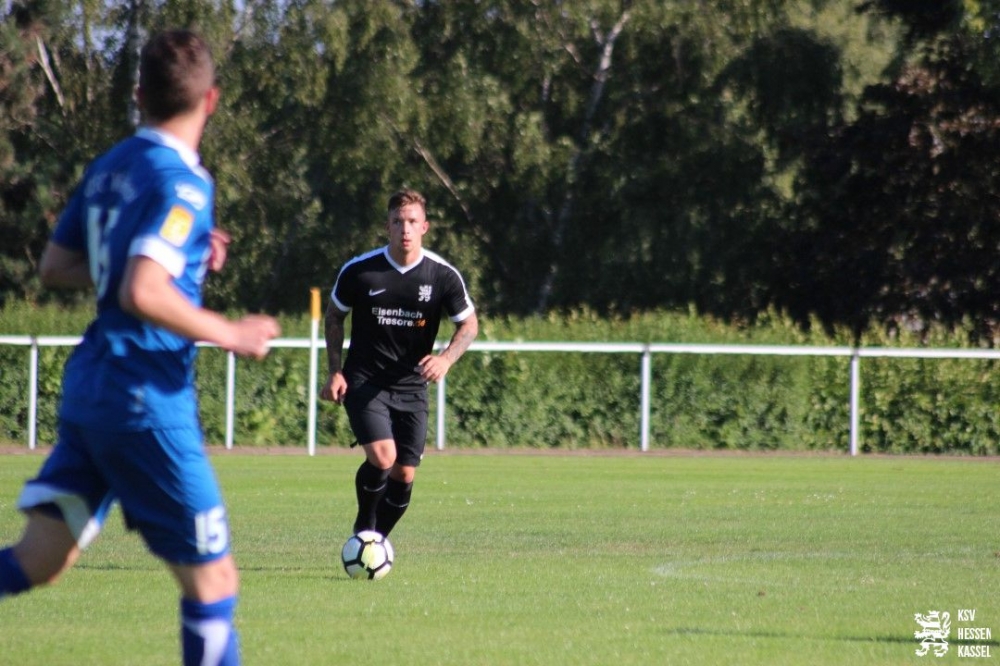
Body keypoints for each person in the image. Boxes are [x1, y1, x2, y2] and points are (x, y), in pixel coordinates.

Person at [0, 29, 280, 666]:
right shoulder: (184, 182)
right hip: (144, 397)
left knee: (40, 559)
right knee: (214, 582)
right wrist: (230, 331)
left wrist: (184, 261)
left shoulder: (110, 166)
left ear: (138, 95)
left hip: (92, 389)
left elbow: (56, 267)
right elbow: (142, 288)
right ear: (211, 100)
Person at [320, 188, 478, 539]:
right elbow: (334, 317)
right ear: (387, 227)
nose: (405, 229)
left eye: (412, 221)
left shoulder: (442, 276)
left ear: (425, 227)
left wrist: (446, 359)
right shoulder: (360, 271)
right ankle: (364, 528)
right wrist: (335, 371)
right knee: (383, 456)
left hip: (411, 385)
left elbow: (469, 325)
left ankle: (376, 543)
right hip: (365, 380)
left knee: (404, 474)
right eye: (397, 221)